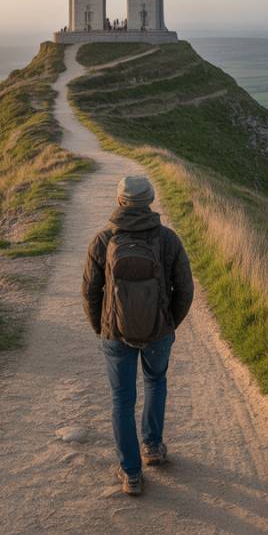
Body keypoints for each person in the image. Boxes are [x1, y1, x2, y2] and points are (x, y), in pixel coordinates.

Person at [81, 175, 194, 496]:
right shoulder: (168, 240)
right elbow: (185, 289)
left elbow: (89, 292)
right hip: (159, 332)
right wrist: (168, 324)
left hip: (115, 334)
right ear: (150, 201)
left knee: (122, 398)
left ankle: (131, 474)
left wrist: (103, 327)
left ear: (120, 201)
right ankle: (153, 448)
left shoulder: (103, 240)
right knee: (155, 382)